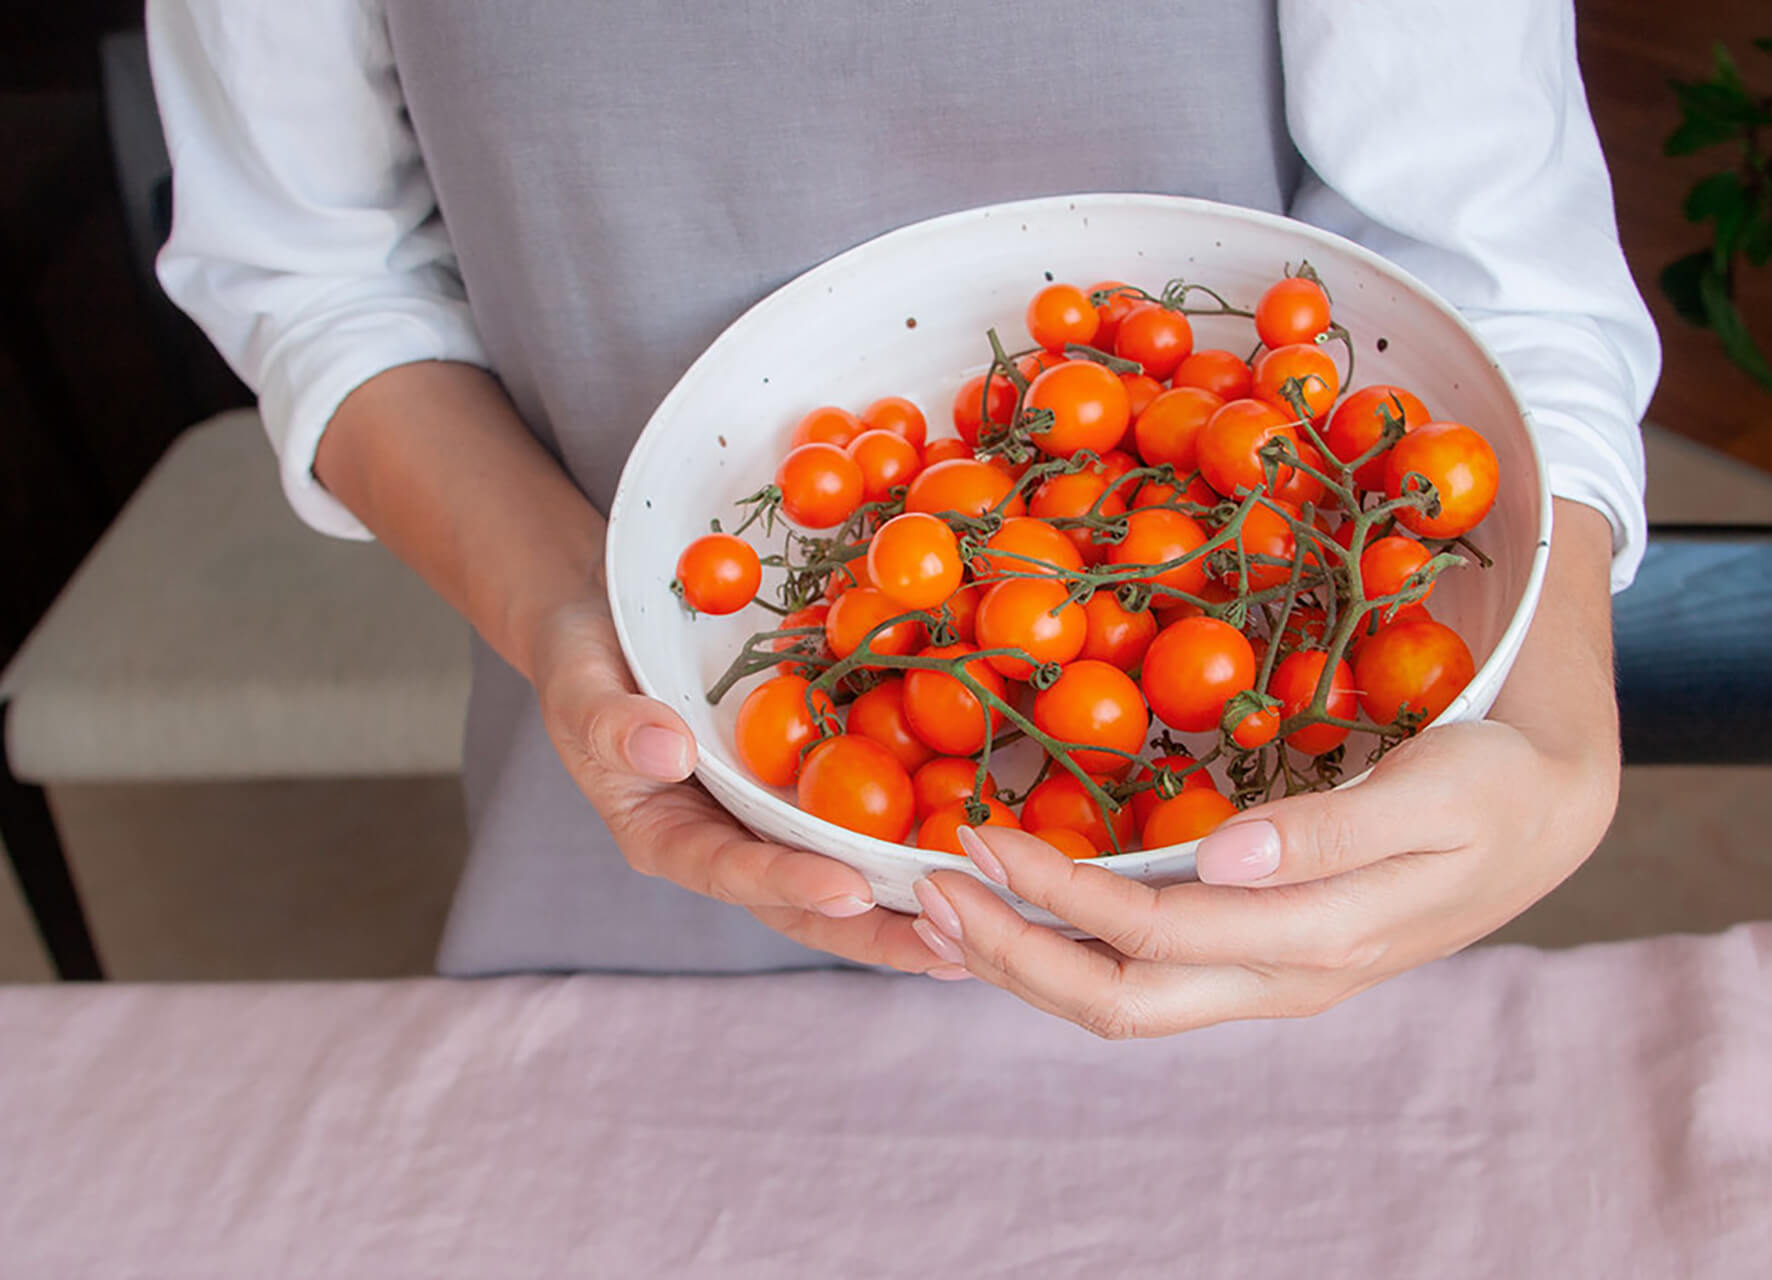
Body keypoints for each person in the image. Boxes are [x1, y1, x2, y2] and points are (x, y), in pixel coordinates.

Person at [147, 1, 1658, 1035]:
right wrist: (570, 625)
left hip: (1276, 843)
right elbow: (313, 272)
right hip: (656, 758)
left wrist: (1559, 734)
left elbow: (1490, 282)